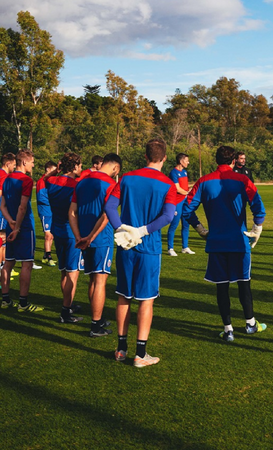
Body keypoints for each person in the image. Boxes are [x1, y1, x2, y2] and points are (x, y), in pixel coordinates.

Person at [104, 140, 181, 367]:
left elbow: (109, 207)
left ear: (145, 156)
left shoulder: (127, 178)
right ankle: (140, 354)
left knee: (124, 296)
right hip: (149, 247)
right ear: (164, 158)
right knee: (146, 300)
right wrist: (142, 231)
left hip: (126, 246)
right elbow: (168, 216)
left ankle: (121, 349)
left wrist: (121, 229)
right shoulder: (168, 183)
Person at [183, 145, 268, 343]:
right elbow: (258, 206)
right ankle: (250, 324)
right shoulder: (242, 179)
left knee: (221, 286)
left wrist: (200, 229)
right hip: (239, 241)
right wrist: (257, 229)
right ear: (233, 161)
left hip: (217, 242)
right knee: (244, 282)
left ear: (216, 160)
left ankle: (228, 330)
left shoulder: (204, 181)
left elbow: (187, 209)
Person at [71, 153, 122, 337]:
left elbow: (72, 212)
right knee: (100, 280)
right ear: (115, 167)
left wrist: (79, 236)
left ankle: (97, 319)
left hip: (83, 238)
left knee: (93, 279)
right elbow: (107, 215)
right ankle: (95, 326)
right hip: (100, 239)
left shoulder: (82, 182)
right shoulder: (110, 184)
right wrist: (91, 237)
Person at [0, 149, 44, 313]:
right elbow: (22, 207)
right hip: (23, 227)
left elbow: (2, 206)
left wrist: (10, 222)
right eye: (32, 162)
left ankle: (5, 300)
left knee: (8, 263)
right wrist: (17, 227)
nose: (33, 165)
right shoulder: (26, 180)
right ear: (24, 162)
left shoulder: (6, 179)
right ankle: (23, 304)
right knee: (27, 264)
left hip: (10, 225)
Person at [45, 152, 85, 325]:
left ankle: (67, 304)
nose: (81, 169)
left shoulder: (52, 181)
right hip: (72, 232)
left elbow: (45, 178)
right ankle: (66, 311)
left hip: (58, 229)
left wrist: (57, 170)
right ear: (75, 167)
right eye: (80, 166)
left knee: (64, 271)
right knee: (72, 274)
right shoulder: (77, 186)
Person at [166, 153, 194, 256]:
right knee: (174, 224)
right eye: (186, 160)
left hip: (185, 201)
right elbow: (177, 188)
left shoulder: (185, 172)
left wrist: (189, 190)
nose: (188, 162)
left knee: (186, 224)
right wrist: (187, 193)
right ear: (181, 161)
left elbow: (184, 187)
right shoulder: (173, 173)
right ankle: (170, 248)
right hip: (177, 202)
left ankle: (185, 247)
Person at [36, 161, 58, 267]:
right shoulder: (42, 181)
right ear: (48, 170)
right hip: (45, 211)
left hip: (51, 211)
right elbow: (41, 197)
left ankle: (45, 256)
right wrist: (53, 201)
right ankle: (49, 257)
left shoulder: (50, 181)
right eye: (53, 170)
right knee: (48, 235)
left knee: (51, 235)